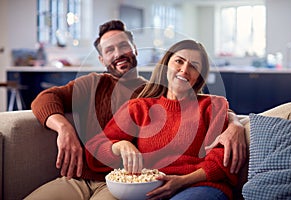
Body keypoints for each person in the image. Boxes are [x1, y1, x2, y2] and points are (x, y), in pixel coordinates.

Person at [26, 20, 245, 199]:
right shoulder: (96, 86)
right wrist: (65, 129)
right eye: (109, 50)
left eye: (123, 46)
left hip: (138, 185)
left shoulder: (156, 93)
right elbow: (46, 99)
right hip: (96, 179)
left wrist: (235, 123)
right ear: (102, 59)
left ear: (135, 50)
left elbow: (213, 118)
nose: (118, 53)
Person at [85, 39, 238, 200]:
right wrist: (119, 145)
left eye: (194, 66)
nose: (184, 70)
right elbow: (94, 149)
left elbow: (221, 161)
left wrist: (181, 181)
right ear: (166, 65)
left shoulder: (212, 106)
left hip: (200, 187)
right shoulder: (139, 107)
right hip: (148, 190)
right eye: (179, 61)